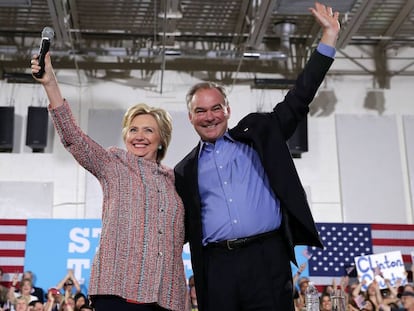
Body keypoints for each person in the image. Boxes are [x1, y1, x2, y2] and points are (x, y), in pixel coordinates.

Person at [174, 2, 340, 310]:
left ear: (228, 111)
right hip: (217, 266)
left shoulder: (258, 134)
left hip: (268, 258)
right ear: (190, 118)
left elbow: (299, 98)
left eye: (216, 108)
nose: (209, 116)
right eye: (200, 110)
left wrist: (329, 37)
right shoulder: (184, 170)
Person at [30, 52, 186, 310]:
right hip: (118, 293)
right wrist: (50, 83)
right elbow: (74, 138)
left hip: (167, 296)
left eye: (149, 130)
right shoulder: (114, 164)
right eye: (133, 129)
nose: (139, 136)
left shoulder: (176, 182)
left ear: (162, 140)